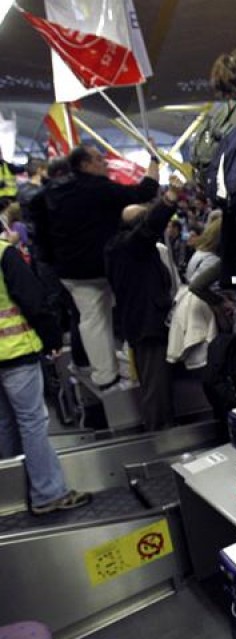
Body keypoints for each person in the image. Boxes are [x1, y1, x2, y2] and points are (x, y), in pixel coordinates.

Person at [33, 145, 159, 389]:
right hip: (104, 268)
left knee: (91, 320)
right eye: (99, 160)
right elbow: (144, 192)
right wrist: (153, 160)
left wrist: (52, 263)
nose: (105, 163)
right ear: (85, 165)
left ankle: (104, 375)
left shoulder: (47, 195)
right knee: (127, 312)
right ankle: (135, 364)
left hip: (69, 272)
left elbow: (41, 236)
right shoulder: (98, 189)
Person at [0, 236, 90, 514]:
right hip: (15, 352)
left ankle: (12, 495)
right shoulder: (4, 253)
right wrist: (51, 336)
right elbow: (33, 300)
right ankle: (47, 493)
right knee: (32, 422)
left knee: (4, 424)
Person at [105, 184, 183, 431]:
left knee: (154, 382)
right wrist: (168, 201)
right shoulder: (132, 247)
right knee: (156, 385)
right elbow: (149, 227)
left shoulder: (116, 248)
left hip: (138, 323)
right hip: (148, 325)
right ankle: (162, 435)